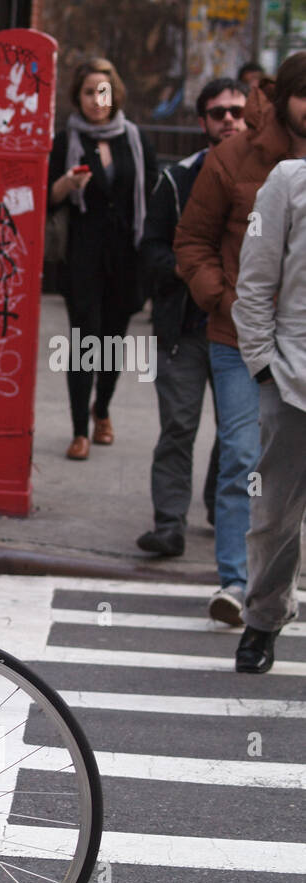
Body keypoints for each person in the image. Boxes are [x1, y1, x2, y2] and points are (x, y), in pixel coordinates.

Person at [175, 52, 306, 625]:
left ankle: (280, 582)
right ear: (283, 100)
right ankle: (236, 581)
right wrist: (227, 303)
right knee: (243, 459)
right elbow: (192, 242)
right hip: (240, 338)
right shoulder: (234, 157)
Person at [136, 77, 247, 557]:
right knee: (178, 427)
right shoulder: (177, 178)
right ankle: (169, 524)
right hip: (183, 327)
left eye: (237, 112)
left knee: (237, 434)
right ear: (202, 121)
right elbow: (150, 250)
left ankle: (219, 508)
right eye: (219, 113)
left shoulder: (272, 176)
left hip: (243, 334)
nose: (229, 120)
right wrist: (196, 272)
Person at [47, 58, 158, 460]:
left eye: (103, 91)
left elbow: (153, 196)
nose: (97, 100)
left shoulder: (134, 138)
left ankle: (103, 410)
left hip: (126, 255)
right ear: (78, 97)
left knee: (112, 340)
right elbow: (44, 199)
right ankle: (79, 430)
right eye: (89, 92)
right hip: (82, 255)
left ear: (116, 94)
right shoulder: (66, 141)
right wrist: (65, 184)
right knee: (84, 341)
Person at [230, 158, 306, 672]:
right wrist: (261, 362)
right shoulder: (290, 180)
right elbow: (255, 276)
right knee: (277, 515)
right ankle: (262, 620)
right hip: (295, 378)